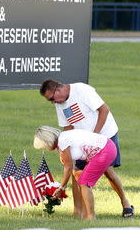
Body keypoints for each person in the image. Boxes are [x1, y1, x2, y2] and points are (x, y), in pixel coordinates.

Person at [39, 79, 134, 218]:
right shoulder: (60, 104)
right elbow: (67, 127)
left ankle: (125, 203)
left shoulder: (82, 90)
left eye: (52, 99)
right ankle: (78, 211)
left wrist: (94, 138)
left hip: (104, 135)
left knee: (108, 171)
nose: (53, 102)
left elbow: (104, 110)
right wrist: (67, 151)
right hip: (83, 142)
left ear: (57, 90)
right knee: (76, 173)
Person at [33, 125, 117, 220]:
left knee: (84, 183)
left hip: (104, 151)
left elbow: (68, 167)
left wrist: (61, 187)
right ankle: (85, 214)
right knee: (82, 180)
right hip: (107, 146)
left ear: (48, 140)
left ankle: (91, 217)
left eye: (44, 145)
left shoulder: (62, 142)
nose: (46, 148)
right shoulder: (63, 137)